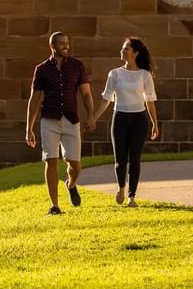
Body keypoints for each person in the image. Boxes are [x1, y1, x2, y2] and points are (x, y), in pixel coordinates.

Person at [26, 32, 95, 215]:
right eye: (62, 44)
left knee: (75, 165)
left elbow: (86, 94)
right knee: (50, 160)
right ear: (52, 46)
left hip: (71, 120)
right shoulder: (41, 70)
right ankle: (54, 206)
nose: (66, 46)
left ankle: (70, 184)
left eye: (67, 43)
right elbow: (34, 99)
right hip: (49, 120)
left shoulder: (77, 66)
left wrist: (91, 116)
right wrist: (29, 128)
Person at [94, 37, 159, 207]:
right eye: (123, 48)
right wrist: (94, 117)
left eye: (126, 48)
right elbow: (106, 99)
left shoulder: (145, 75)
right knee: (120, 159)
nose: (123, 51)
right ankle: (121, 187)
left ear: (135, 53)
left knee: (135, 158)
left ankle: (132, 197)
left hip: (139, 120)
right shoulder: (114, 73)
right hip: (120, 118)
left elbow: (150, 101)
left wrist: (155, 124)